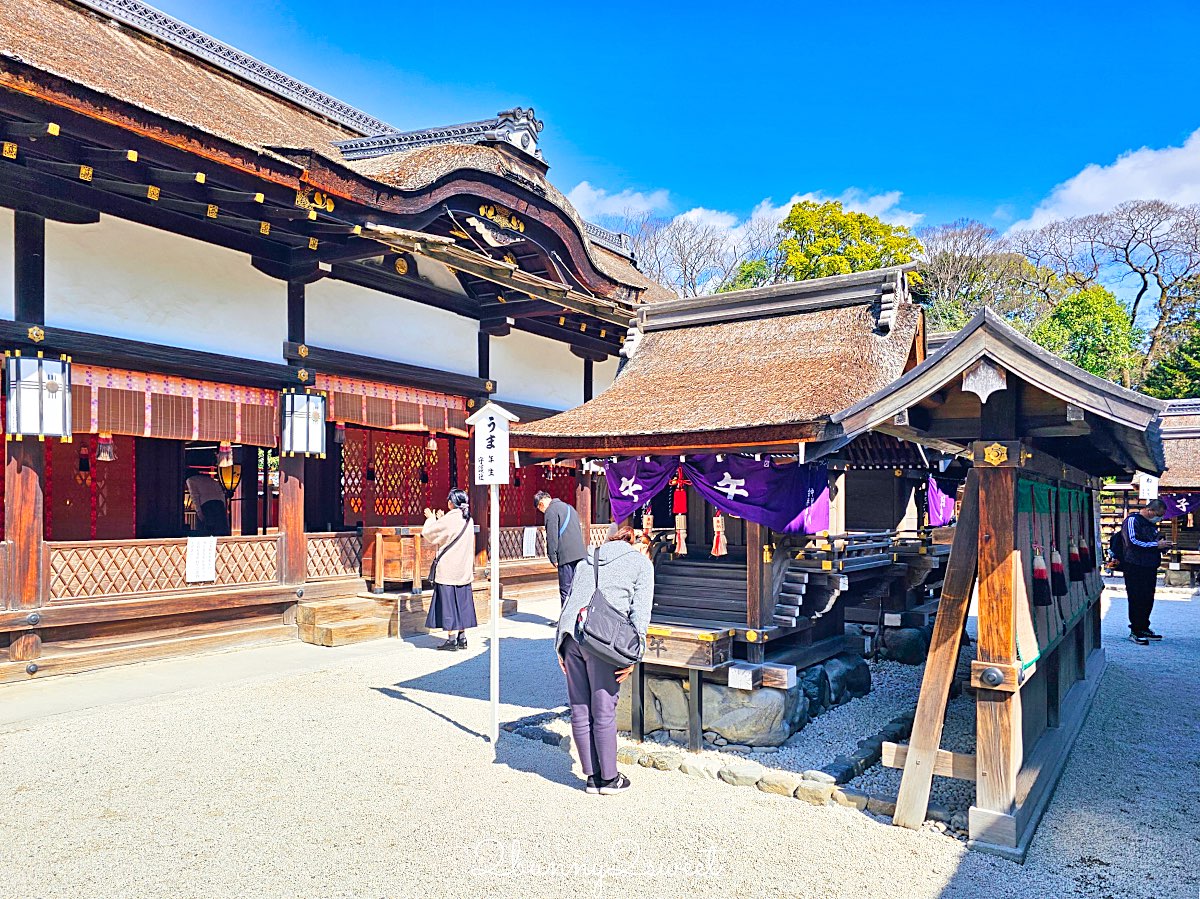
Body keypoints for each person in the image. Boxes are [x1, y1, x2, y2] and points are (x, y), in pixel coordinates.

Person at [555, 524, 654, 795]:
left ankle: (591, 777)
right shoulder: (640, 563)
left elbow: (569, 602)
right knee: (604, 709)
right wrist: (636, 654)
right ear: (636, 542)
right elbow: (640, 614)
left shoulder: (588, 559)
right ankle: (609, 779)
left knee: (580, 709)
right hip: (604, 642)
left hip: (572, 637)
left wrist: (559, 647)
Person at [422, 489, 477, 651]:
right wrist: (441, 519)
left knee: (449, 605)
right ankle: (462, 637)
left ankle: (451, 639)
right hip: (464, 569)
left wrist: (431, 519)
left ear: (451, 503)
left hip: (449, 569)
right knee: (462, 602)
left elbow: (429, 533)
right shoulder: (468, 518)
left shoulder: (450, 519)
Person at [1121, 498, 1172, 645]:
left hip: (1150, 565)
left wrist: (1162, 545)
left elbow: (1154, 542)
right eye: (1158, 514)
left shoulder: (1151, 524)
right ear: (1150, 511)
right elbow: (1132, 542)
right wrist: (1156, 545)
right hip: (1134, 565)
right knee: (1136, 597)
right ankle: (1135, 630)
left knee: (1148, 597)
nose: (1159, 518)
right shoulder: (1132, 521)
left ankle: (1144, 627)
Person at [536, 490, 587, 610]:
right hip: (580, 553)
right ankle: (579, 618)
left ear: (541, 504)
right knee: (578, 588)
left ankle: (565, 621)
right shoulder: (570, 508)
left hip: (566, 555)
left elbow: (551, 536)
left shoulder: (551, 511)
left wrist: (552, 556)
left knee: (566, 589)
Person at [186, 473, 230, 537]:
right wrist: (224, 506)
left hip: (207, 505)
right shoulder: (212, 480)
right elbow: (221, 493)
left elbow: (194, 496)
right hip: (219, 504)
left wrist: (199, 513)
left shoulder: (190, 480)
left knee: (207, 531)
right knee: (221, 529)